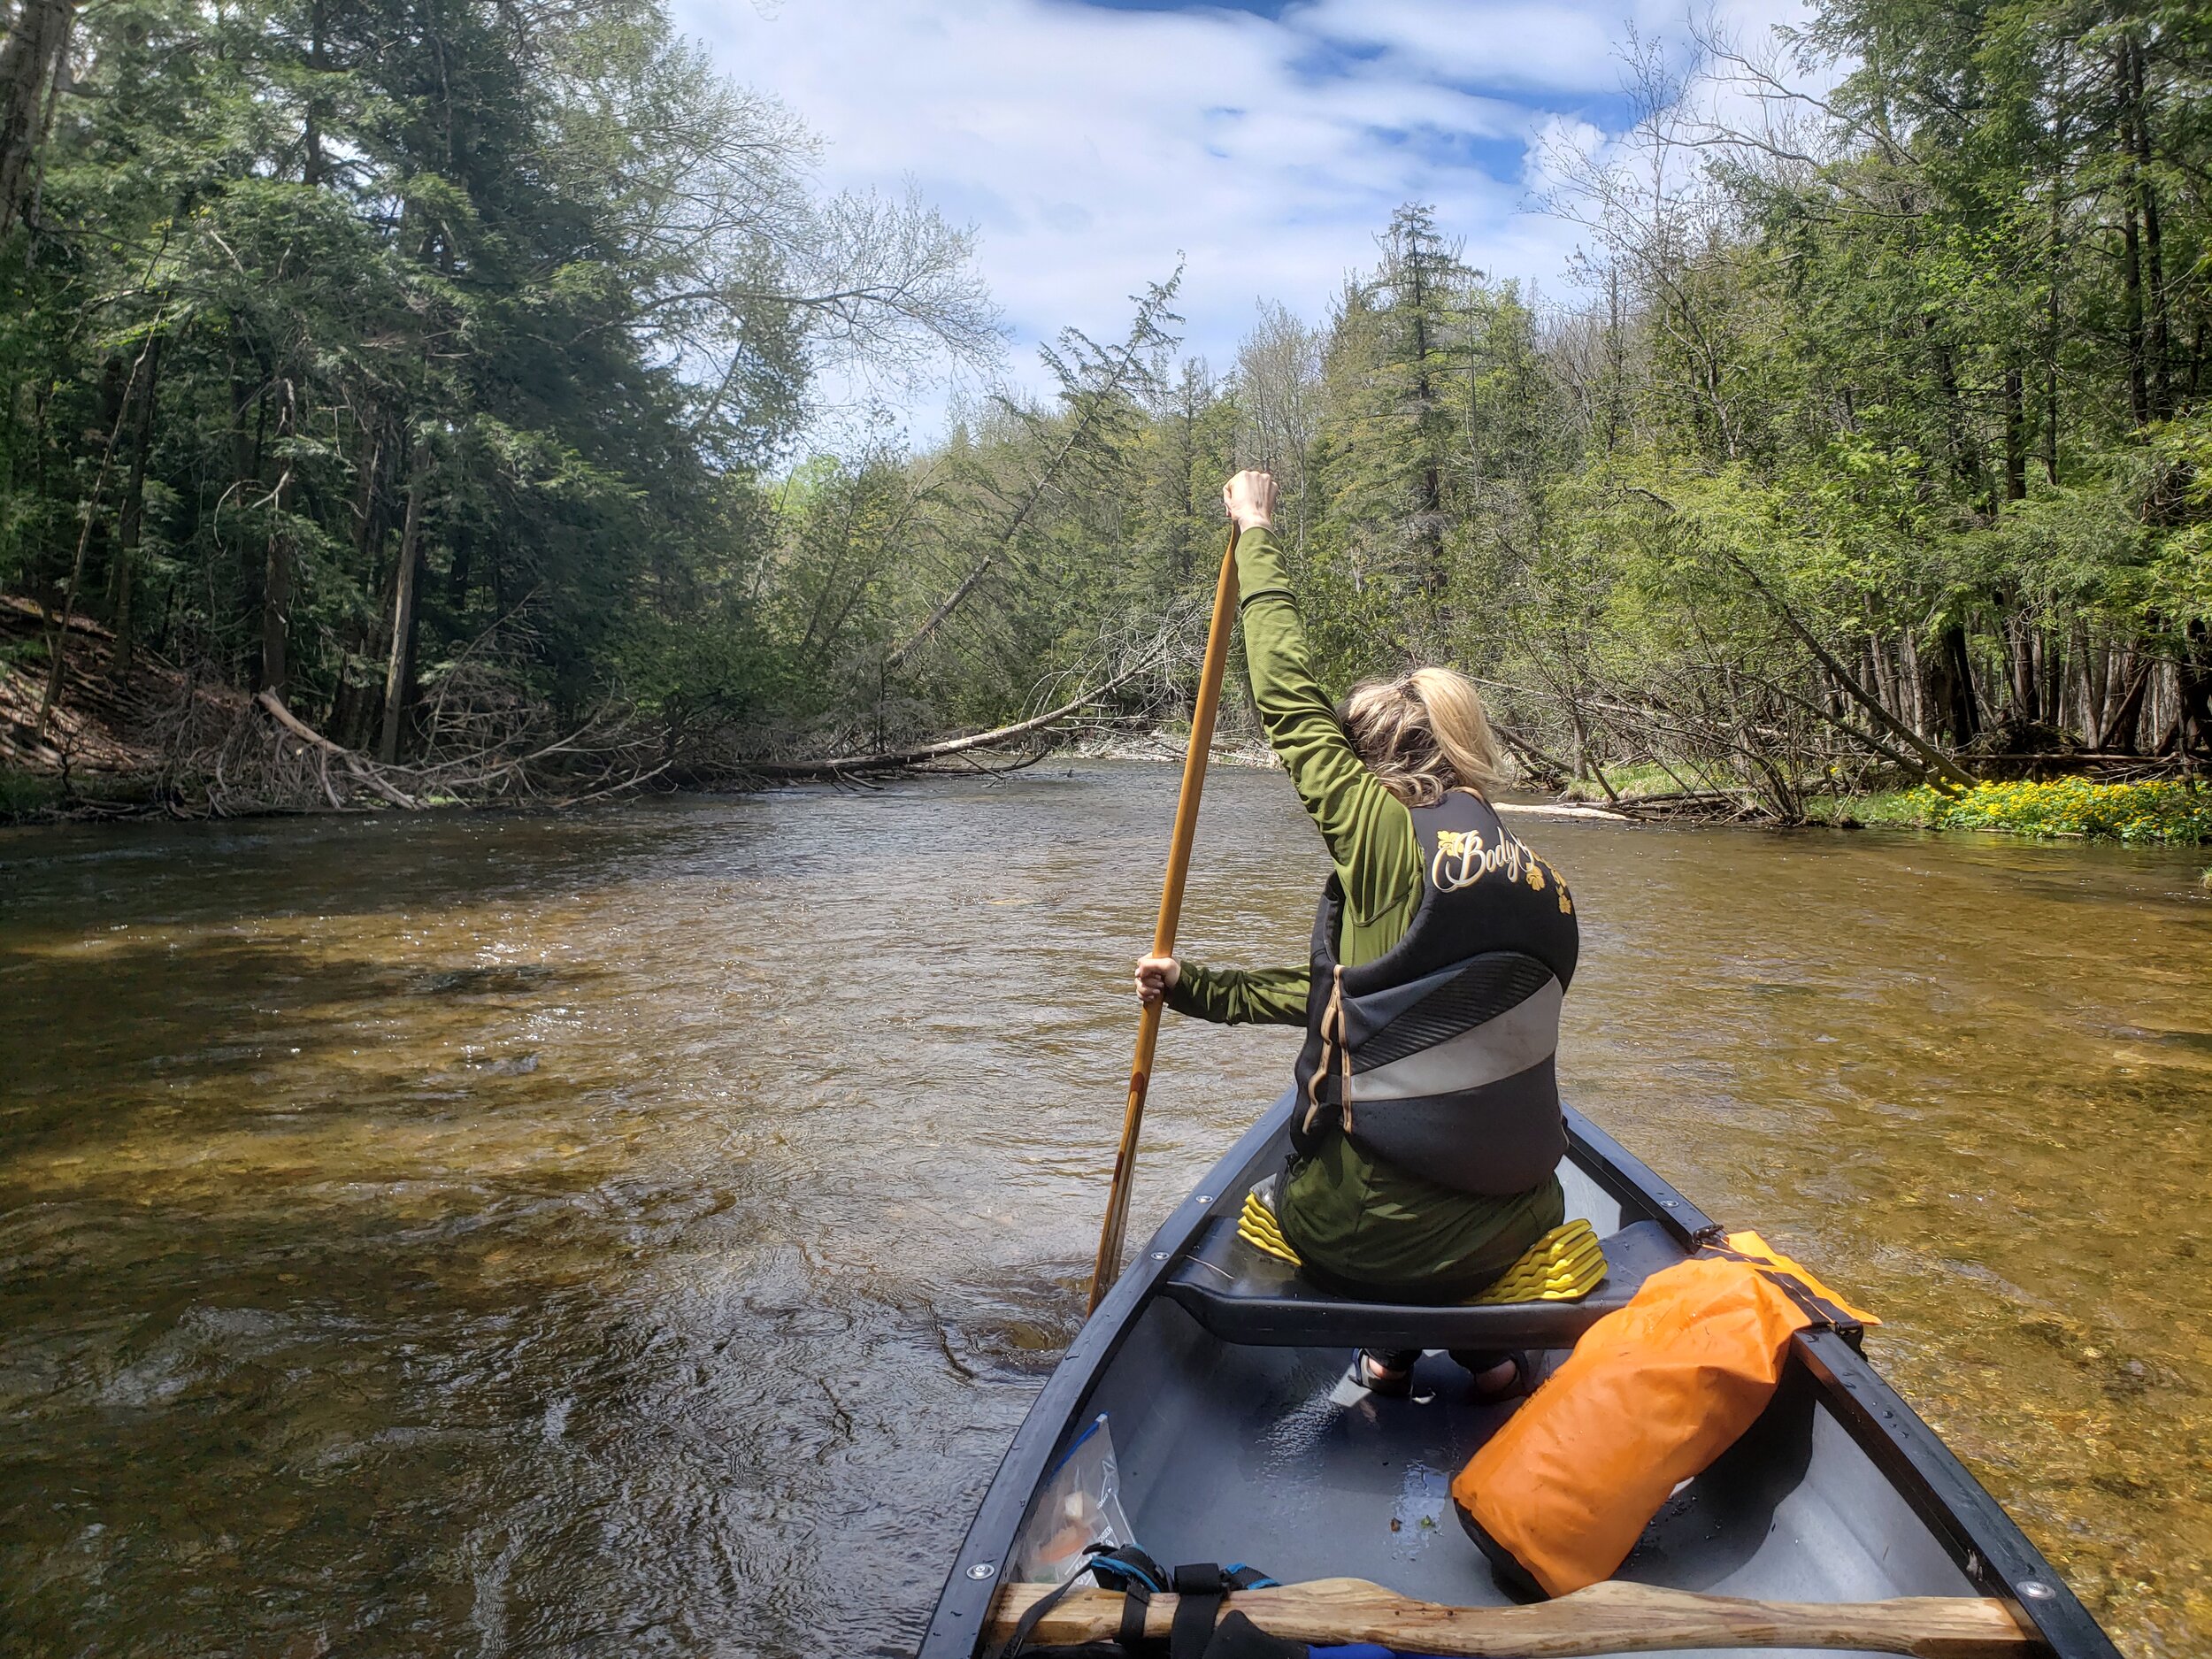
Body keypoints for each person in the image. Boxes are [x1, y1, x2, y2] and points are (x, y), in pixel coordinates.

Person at [1133, 470, 1579, 1402]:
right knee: (1452, 1217)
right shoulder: (1546, 883)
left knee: (1339, 1213)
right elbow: (1370, 1009)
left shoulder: (1381, 841)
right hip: (1517, 1224)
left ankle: (1388, 1349)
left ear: (1371, 766)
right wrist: (1197, 988)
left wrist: (1255, 531)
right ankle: (1484, 1356)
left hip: (1368, 1241)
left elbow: (1287, 703)